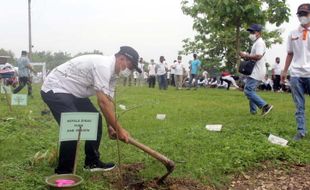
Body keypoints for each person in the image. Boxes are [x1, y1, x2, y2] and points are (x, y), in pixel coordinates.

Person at [41, 46, 142, 174]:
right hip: (56, 88)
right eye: (131, 67)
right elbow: (102, 103)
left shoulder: (113, 75)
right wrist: (120, 129)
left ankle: (92, 162)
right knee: (73, 124)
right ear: (122, 58)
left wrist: (111, 126)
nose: (130, 71)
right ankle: (64, 172)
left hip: (74, 92)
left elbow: (108, 101)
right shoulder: (103, 66)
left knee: (95, 118)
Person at [281, 3, 310, 141]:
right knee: (299, 105)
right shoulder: (293, 33)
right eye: (300, 14)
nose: (302, 17)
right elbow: (290, 54)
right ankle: (301, 131)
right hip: (296, 74)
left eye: (305, 14)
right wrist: (285, 71)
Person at [239, 24, 273, 116]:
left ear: (259, 33)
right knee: (251, 91)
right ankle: (253, 112)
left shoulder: (260, 43)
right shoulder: (256, 42)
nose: (251, 34)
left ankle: (265, 106)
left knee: (248, 90)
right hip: (255, 70)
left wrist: (246, 55)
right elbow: (254, 56)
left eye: (253, 32)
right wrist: (246, 55)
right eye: (250, 32)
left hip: (257, 71)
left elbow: (258, 56)